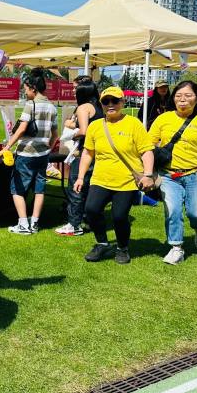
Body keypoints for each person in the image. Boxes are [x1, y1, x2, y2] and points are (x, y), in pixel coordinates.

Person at [74, 87, 155, 264]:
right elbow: (88, 153)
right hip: (100, 179)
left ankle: (122, 248)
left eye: (115, 101)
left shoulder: (133, 124)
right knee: (91, 210)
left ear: (122, 102)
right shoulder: (95, 126)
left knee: (119, 216)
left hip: (126, 181)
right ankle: (102, 243)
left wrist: (148, 174)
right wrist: (80, 177)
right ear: (101, 104)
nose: (110, 105)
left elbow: (147, 151)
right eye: (106, 101)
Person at [149, 81, 197, 264]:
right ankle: (176, 247)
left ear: (196, 99)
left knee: (195, 213)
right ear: (173, 98)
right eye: (178, 96)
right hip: (169, 176)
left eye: (188, 95)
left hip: (196, 175)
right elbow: (148, 144)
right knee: (173, 211)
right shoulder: (163, 119)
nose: (182, 99)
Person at [1, 68, 58, 235]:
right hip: (43, 154)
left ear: (33, 88)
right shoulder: (52, 107)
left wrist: (7, 146)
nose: (24, 92)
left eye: (25, 89)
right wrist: (48, 146)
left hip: (26, 153)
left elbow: (21, 130)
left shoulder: (30, 105)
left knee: (17, 189)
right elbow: (55, 135)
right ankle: (34, 222)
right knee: (40, 189)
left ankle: (23, 224)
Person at [56, 79, 103, 236]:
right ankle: (87, 219)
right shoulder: (97, 107)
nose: (73, 92)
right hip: (97, 153)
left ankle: (74, 224)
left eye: (76, 90)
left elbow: (84, 130)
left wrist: (71, 130)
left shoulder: (83, 108)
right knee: (89, 189)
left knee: (76, 187)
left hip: (84, 152)